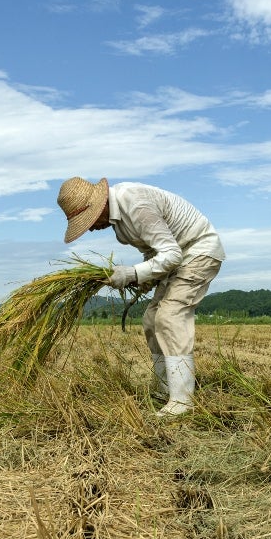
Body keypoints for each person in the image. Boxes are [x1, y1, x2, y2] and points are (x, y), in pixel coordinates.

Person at [56, 176, 225, 416]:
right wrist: (141, 278)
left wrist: (133, 273)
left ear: (99, 206)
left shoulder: (135, 204)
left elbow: (172, 254)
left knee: (170, 317)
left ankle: (183, 401)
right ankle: (164, 388)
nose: (91, 228)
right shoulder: (120, 224)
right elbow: (154, 252)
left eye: (89, 221)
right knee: (151, 320)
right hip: (177, 258)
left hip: (197, 252)